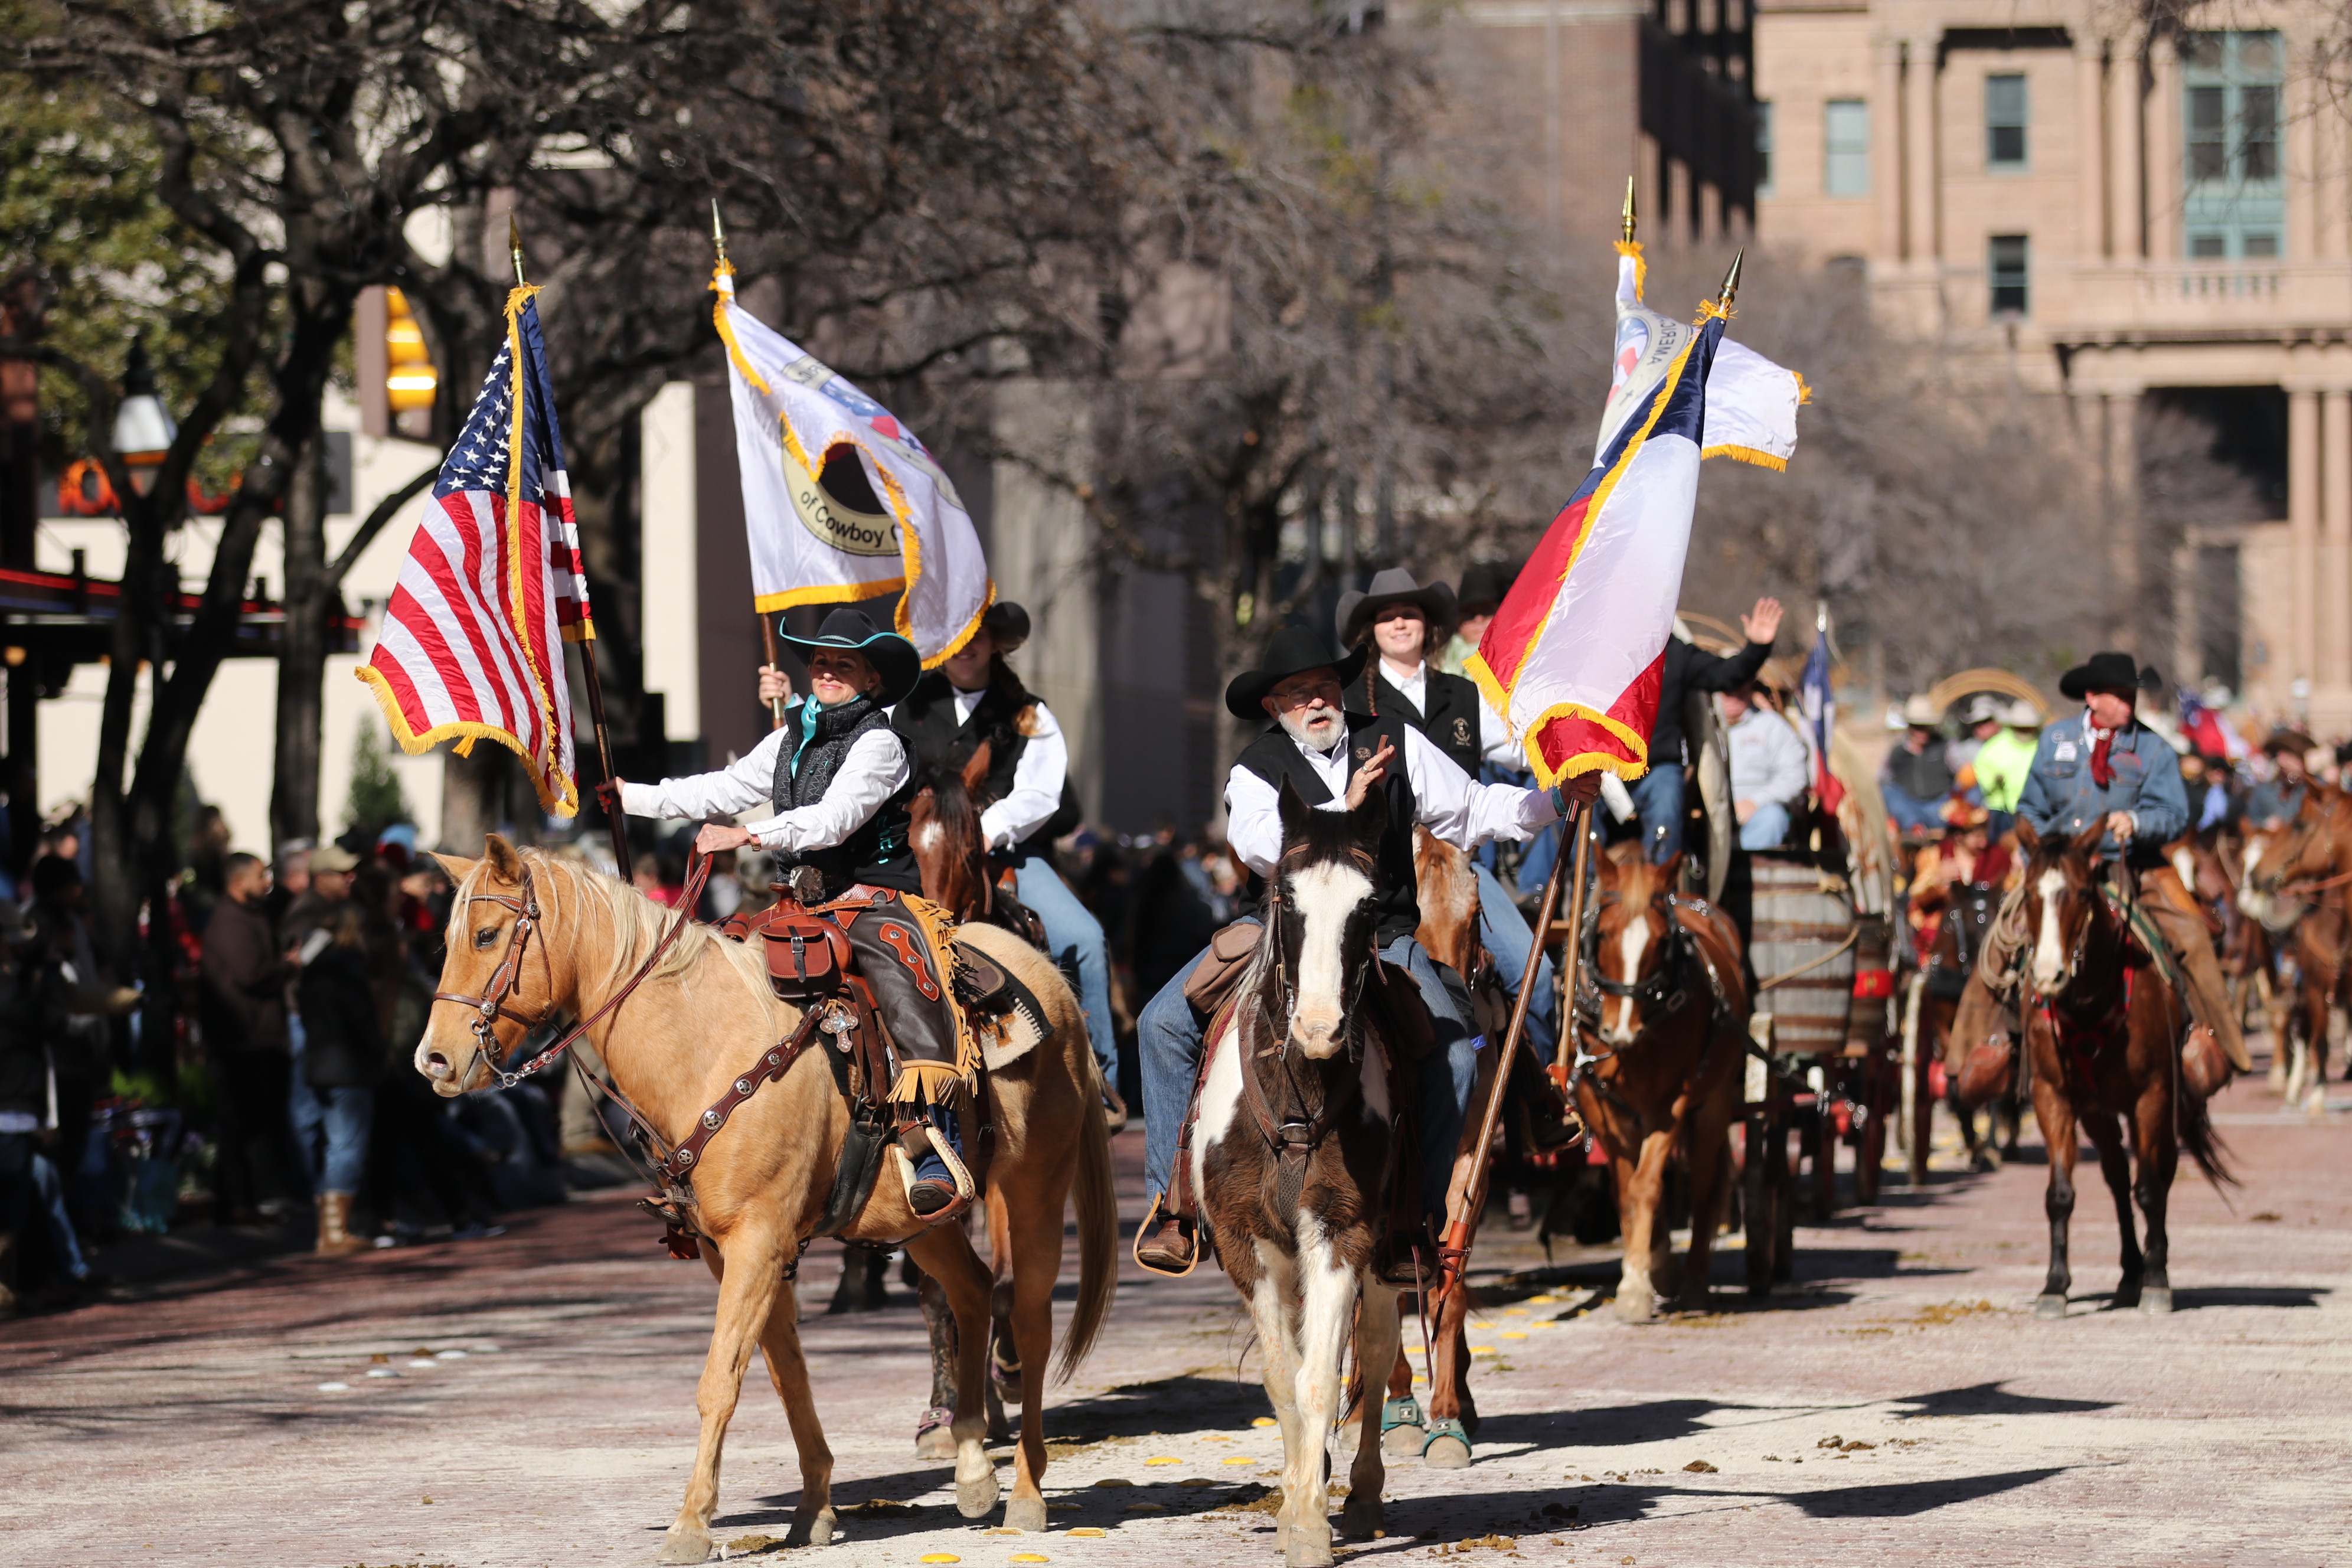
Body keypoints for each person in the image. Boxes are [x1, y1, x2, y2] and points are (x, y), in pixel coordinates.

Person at [1131, 626, 1589, 1272]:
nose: (1314, 702)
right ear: (1274, 708)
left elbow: (1474, 808)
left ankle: (1414, 1224)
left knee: (1460, 1055)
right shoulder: (1255, 769)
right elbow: (1260, 844)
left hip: (1385, 933)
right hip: (1280, 931)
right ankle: (1175, 1206)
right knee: (1162, 1022)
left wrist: (1556, 799)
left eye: (1322, 686)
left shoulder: (1394, 742)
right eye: (1296, 695)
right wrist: (1341, 809)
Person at [608, 607, 974, 1217]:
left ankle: (937, 1141)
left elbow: (833, 819)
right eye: (821, 661)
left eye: (844, 663)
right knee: (711, 967)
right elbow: (721, 788)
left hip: (870, 900)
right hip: (797, 905)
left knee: (905, 985)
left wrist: (746, 838)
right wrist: (629, 797)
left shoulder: (880, 743)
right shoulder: (789, 738)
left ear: (873, 680)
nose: (828, 671)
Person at [871, 600, 1124, 1122]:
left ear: (996, 644)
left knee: (1084, 939)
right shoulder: (905, 705)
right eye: (956, 639)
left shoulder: (1029, 712)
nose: (966, 650)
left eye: (978, 638)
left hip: (1005, 852)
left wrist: (985, 830)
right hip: (912, 851)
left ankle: (1100, 1078)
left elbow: (1040, 793)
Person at [1980, 651, 2250, 1075]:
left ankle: (2216, 1043)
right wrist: (2043, 847)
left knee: (2192, 935)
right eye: (2119, 697)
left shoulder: (2154, 750)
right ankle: (1984, 1047)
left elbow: (2176, 815)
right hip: (2059, 867)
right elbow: (2029, 805)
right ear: (2092, 697)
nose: (2129, 705)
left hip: (2131, 865)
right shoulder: (2054, 741)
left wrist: (2138, 821)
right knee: (2001, 937)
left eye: (2131, 696)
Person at [1335, 569, 1559, 1061]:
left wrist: (1577, 750)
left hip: (1461, 867)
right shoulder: (1349, 702)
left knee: (1533, 973)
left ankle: (1538, 1092)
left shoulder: (1464, 693)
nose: (1399, 623)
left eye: (1409, 613)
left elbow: (1525, 747)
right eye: (1386, 616)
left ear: (1429, 625)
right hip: (1382, 872)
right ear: (1370, 630)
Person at [1626, 598, 1784, 863]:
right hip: (1602, 768)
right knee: (1557, 802)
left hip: (1656, 768)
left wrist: (1757, 647)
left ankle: (1660, 891)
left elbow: (1726, 674)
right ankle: (1548, 892)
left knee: (1667, 805)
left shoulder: (1673, 652)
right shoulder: (1598, 651)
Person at [199, 852, 299, 1224]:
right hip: (239, 1040)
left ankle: (242, 1200)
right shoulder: (230, 921)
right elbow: (250, 973)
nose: (266, 882)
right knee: (241, 1124)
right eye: (260, 876)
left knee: (253, 1122)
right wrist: (290, 965)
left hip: (257, 1037)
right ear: (239, 881)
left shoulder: (251, 916)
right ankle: (240, 1201)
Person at [296, 901, 380, 1256]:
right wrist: (378, 1048)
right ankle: (333, 1232)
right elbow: (360, 1018)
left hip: (317, 1062)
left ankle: (329, 1229)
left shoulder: (314, 968)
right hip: (347, 1064)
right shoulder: (348, 966)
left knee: (331, 1144)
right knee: (346, 1147)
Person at [1719, 679, 1810, 851]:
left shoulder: (1771, 725)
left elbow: (1795, 777)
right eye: (1726, 690)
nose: (1733, 695)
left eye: (1739, 687)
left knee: (1773, 818)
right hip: (1711, 817)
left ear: (1749, 688)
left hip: (1757, 817)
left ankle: (1742, 868)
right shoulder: (1699, 726)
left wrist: (1755, 802)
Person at [1881, 695, 1957, 836]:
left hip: (1939, 805)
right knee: (1888, 791)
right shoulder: (1897, 752)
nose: (1922, 733)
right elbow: (1883, 779)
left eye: (1926, 727)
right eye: (1918, 727)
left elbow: (1960, 772)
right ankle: (1915, 828)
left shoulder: (1945, 747)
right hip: (1910, 806)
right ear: (1909, 727)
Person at [1969, 701, 2044, 832]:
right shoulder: (1993, 749)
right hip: (2003, 812)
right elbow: (1985, 781)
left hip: (2037, 809)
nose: (2025, 732)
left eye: (2029, 728)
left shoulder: (2044, 744)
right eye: (2021, 728)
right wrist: (1994, 780)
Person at [1435, 560, 1511, 678]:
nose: (1479, 619)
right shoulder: (1436, 673)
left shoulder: (1524, 659)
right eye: (1469, 615)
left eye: (1487, 612)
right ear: (1458, 625)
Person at [2243, 726, 2315, 828]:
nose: (2283, 761)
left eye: (2292, 757)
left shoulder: (2313, 790)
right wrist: (2265, 823)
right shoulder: (2265, 790)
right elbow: (2251, 820)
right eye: (2281, 755)